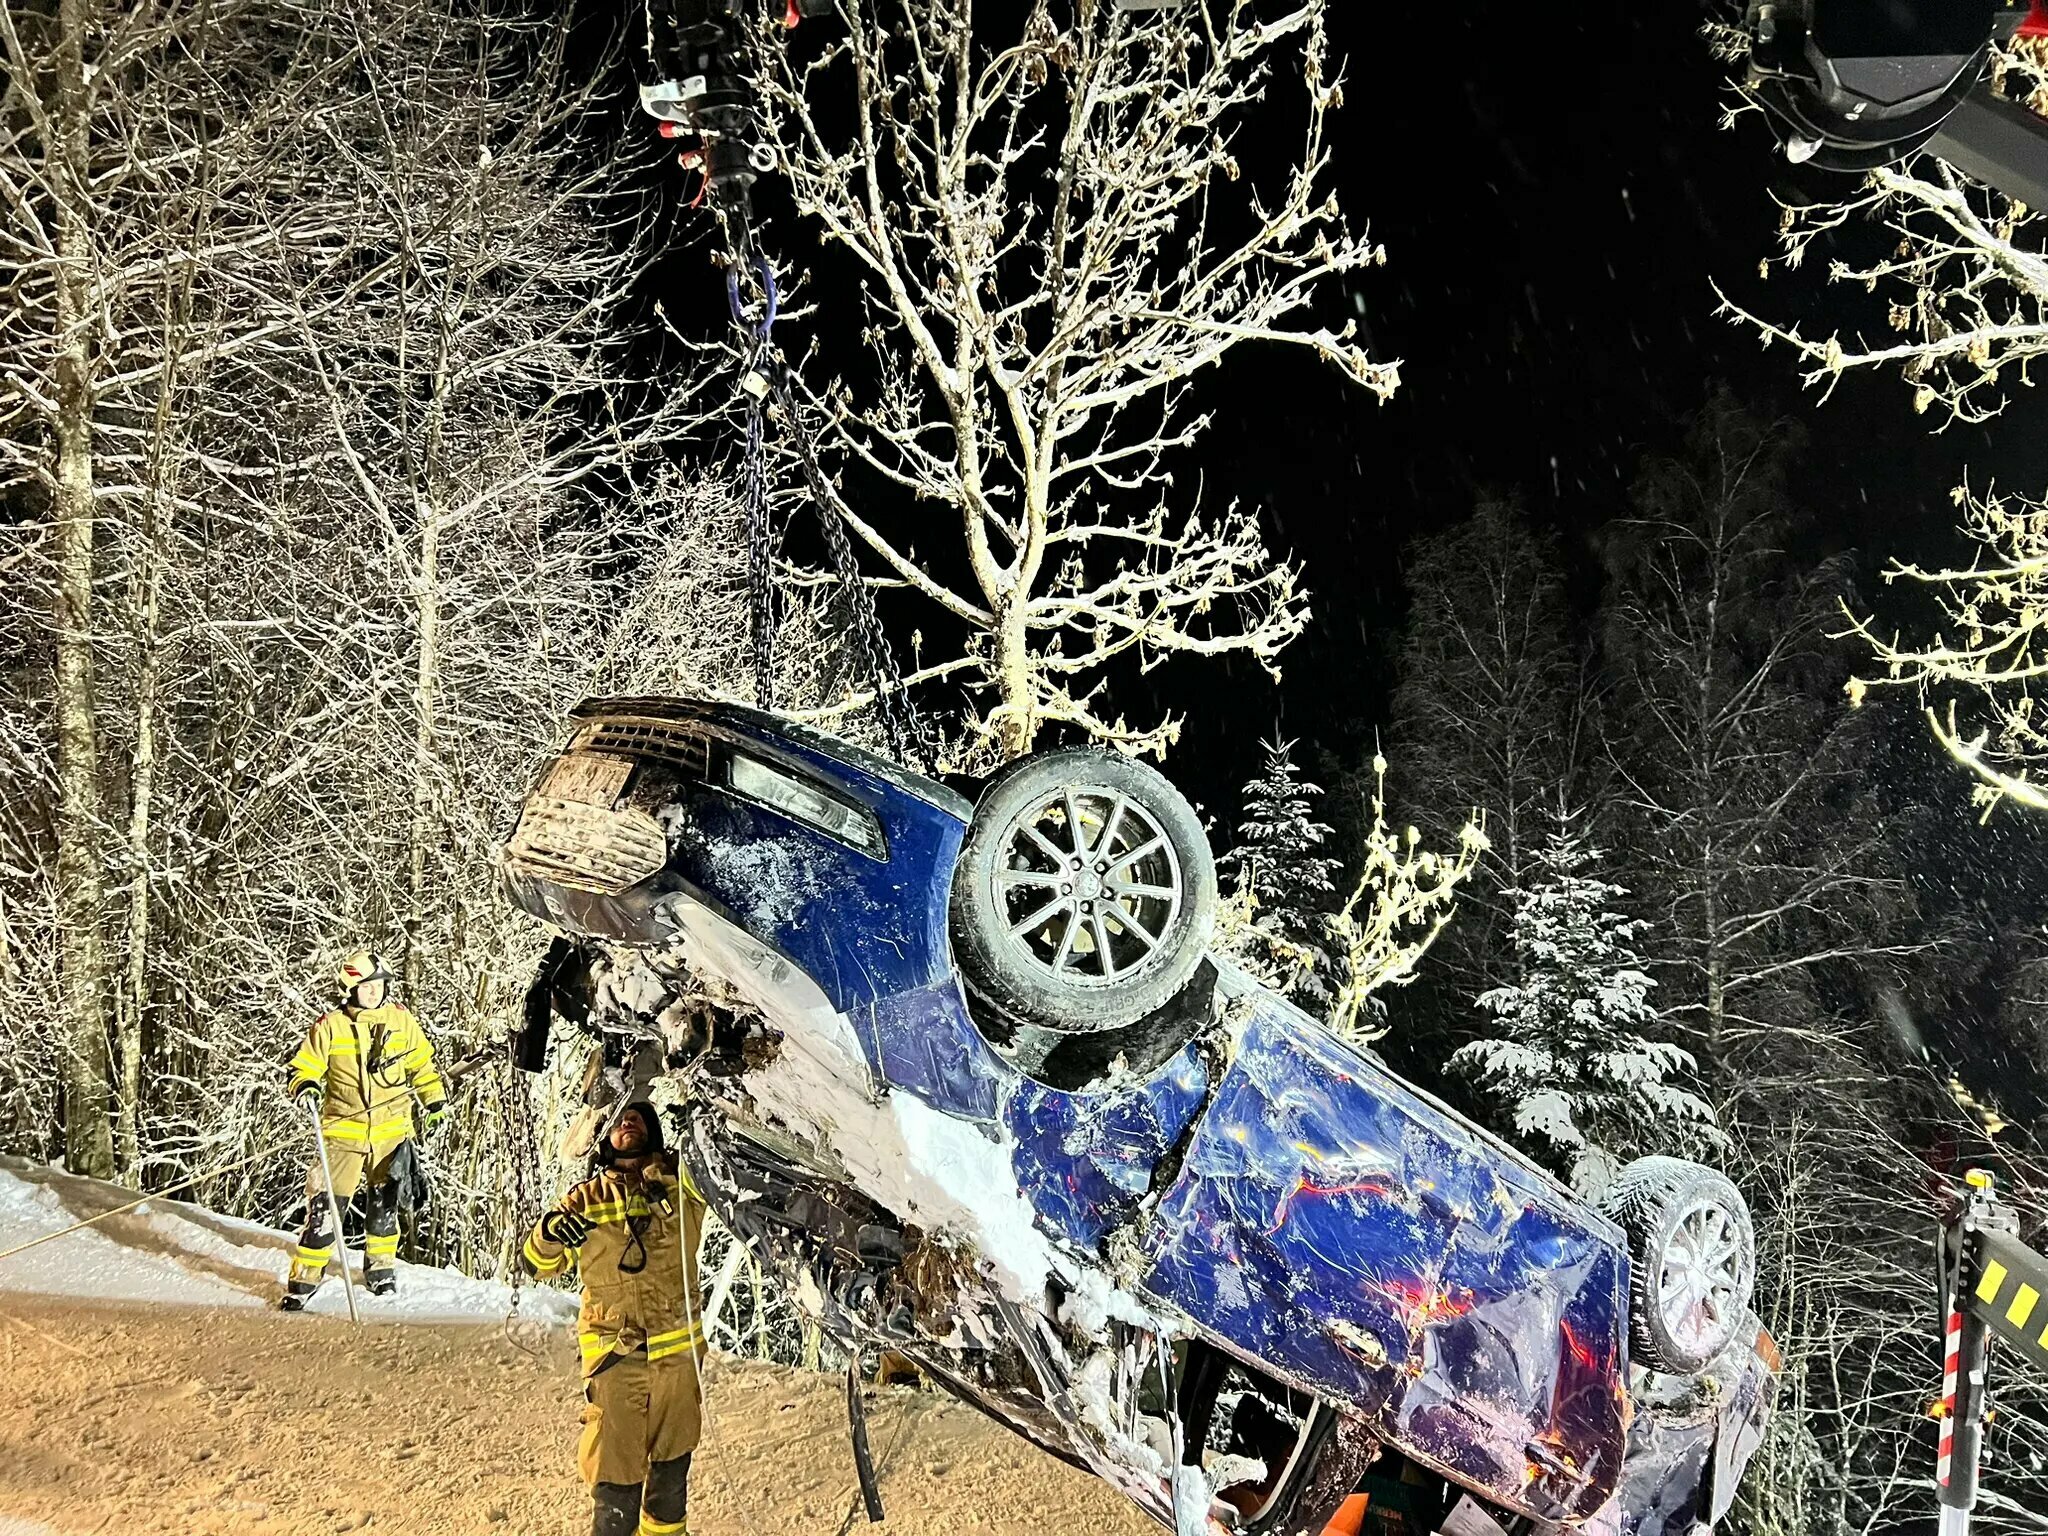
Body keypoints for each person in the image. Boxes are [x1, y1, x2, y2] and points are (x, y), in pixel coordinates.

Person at [524, 1102, 708, 1536]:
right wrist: (549, 1233)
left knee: (671, 1473)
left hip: (678, 1363)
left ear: (655, 1133)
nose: (628, 1122)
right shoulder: (583, 1200)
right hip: (617, 1358)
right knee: (616, 1478)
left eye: (639, 1118)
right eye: (620, 1119)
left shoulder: (684, 1185)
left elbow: (721, 1173)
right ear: (604, 1137)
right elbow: (537, 1263)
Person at [280, 949, 446, 1309]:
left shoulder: (402, 1022)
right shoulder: (331, 1026)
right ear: (351, 989)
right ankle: (305, 1278)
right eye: (366, 986)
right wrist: (306, 1086)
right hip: (344, 1134)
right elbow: (303, 1066)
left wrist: (434, 1101)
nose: (374, 992)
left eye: (380, 985)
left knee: (385, 1205)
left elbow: (422, 1065)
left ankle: (381, 1269)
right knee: (327, 1207)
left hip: (391, 1133)